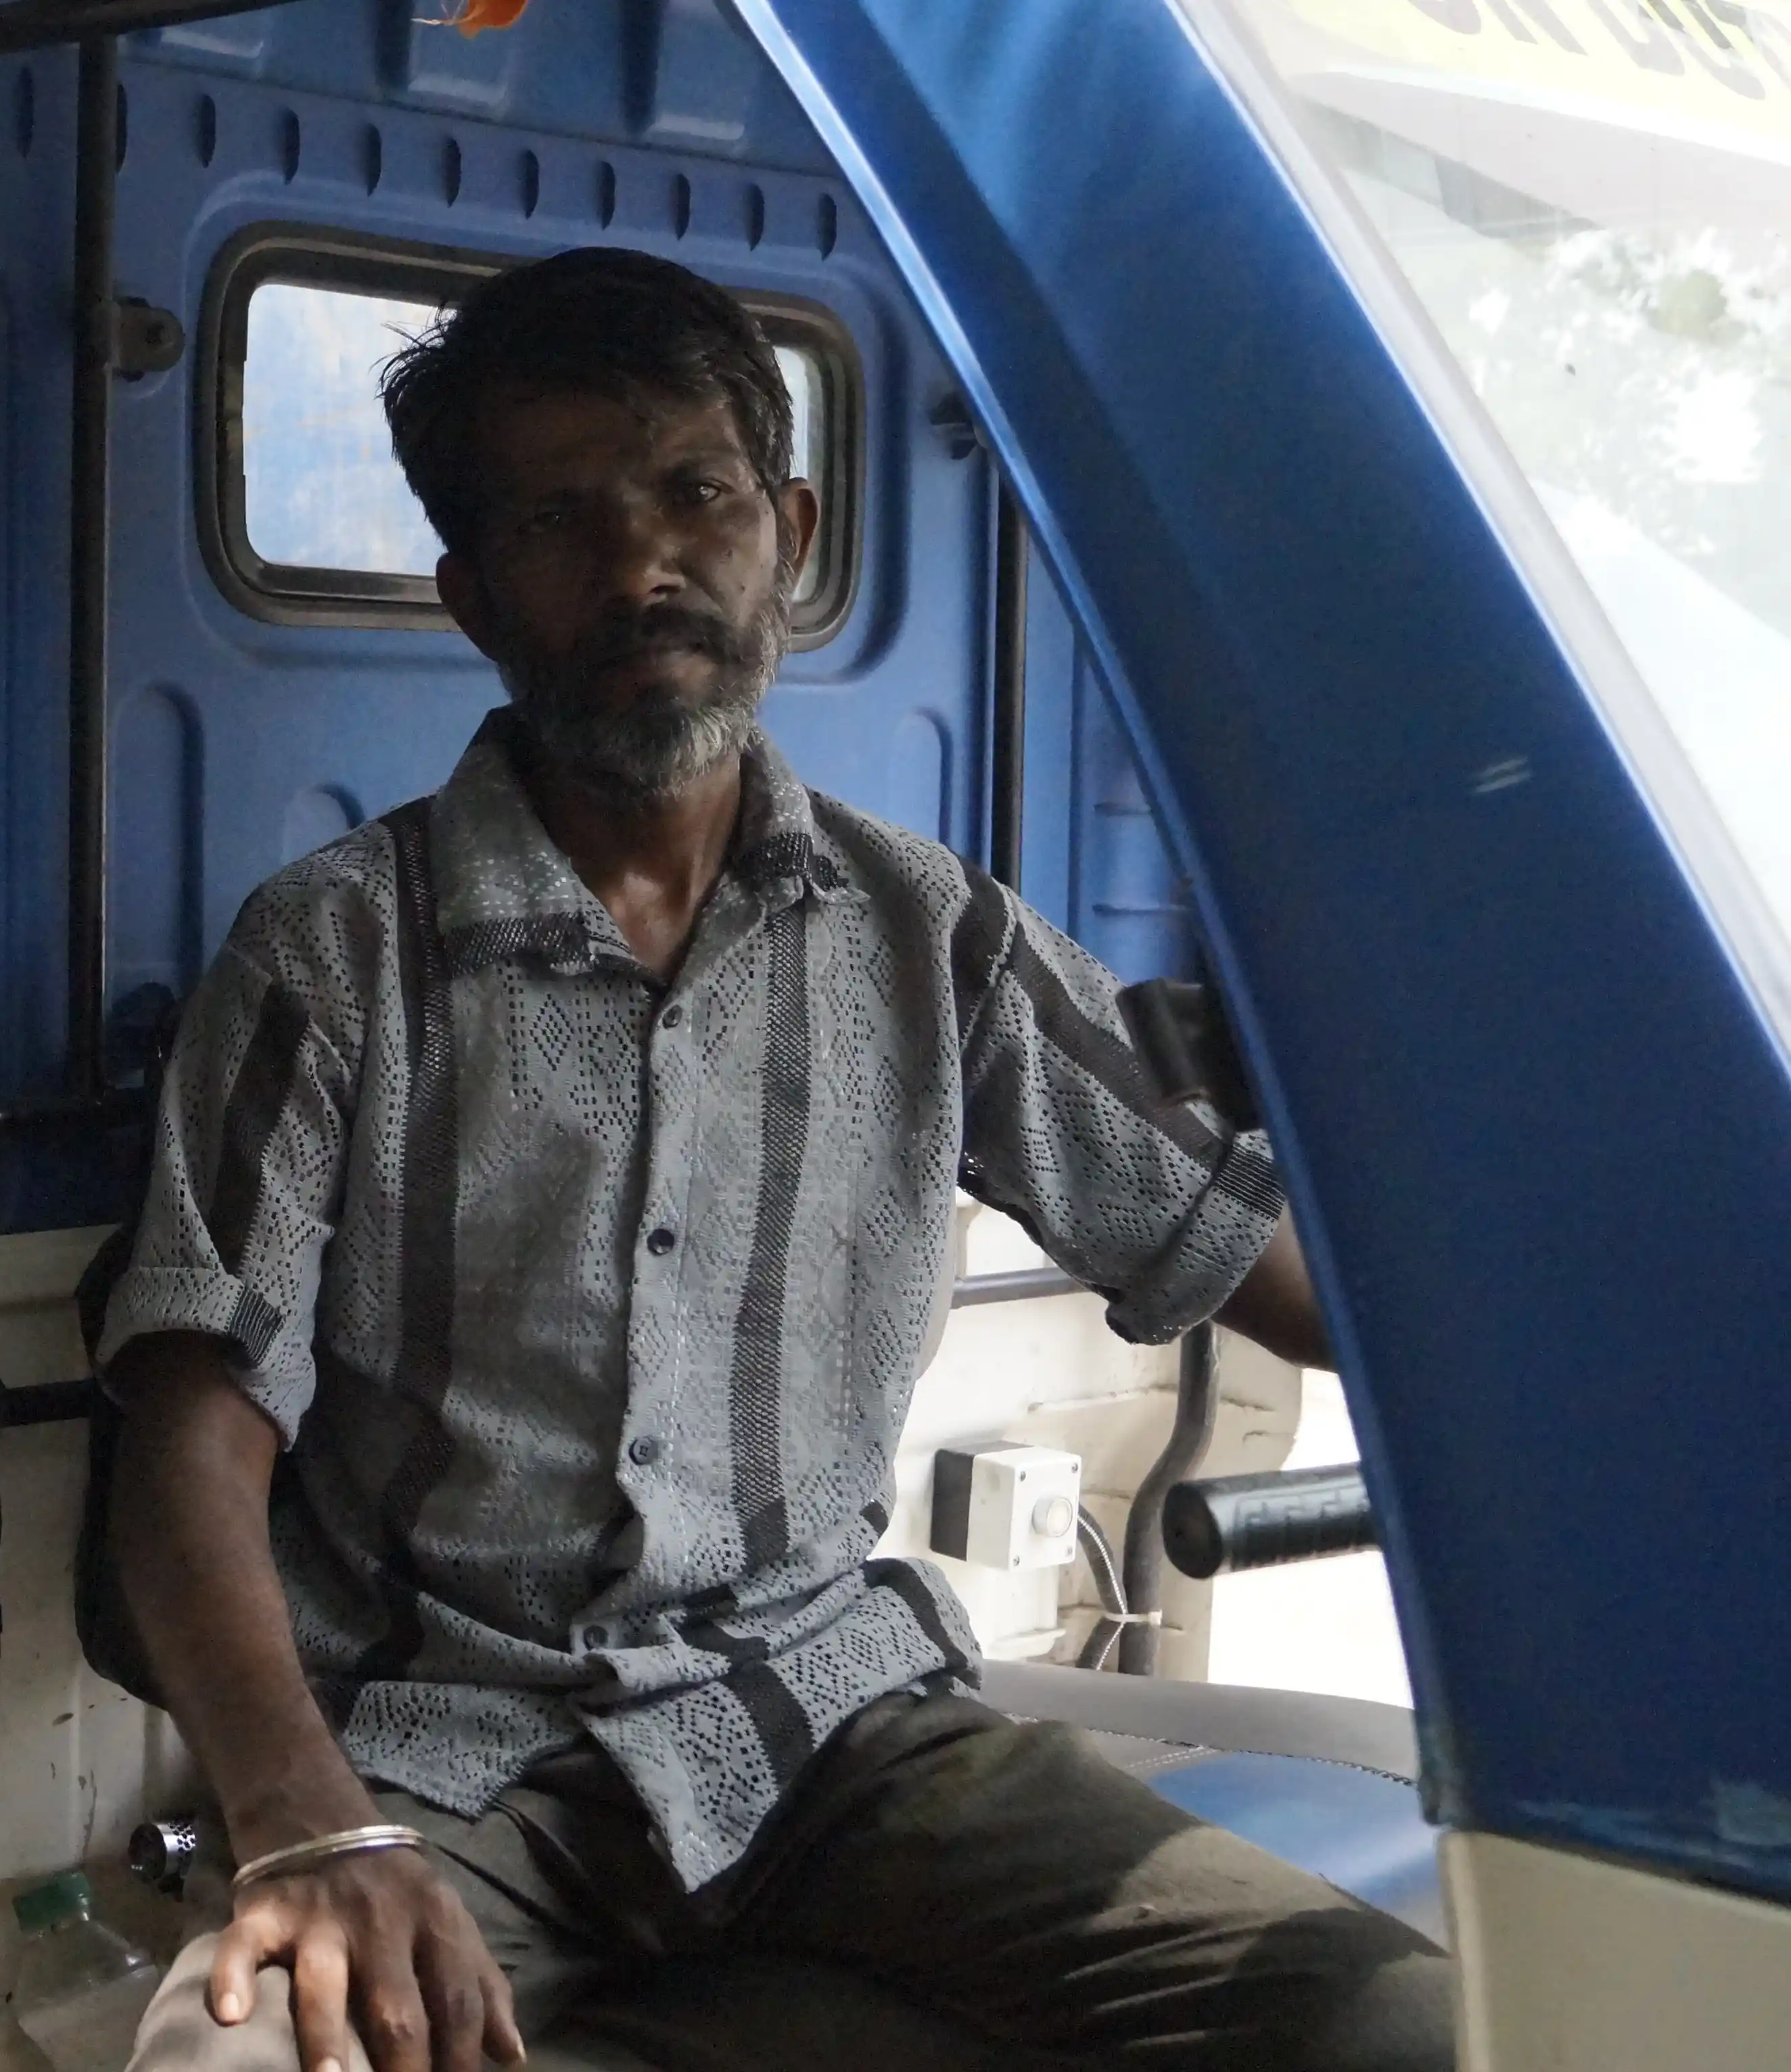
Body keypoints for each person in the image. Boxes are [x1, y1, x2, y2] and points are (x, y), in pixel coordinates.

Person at [93, 248, 1452, 2072]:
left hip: (836, 1732)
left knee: (1406, 2029)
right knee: (225, 2069)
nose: (645, 564)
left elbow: (1265, 1264)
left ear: (789, 535)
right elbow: (194, 1423)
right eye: (563, 522)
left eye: (697, 494)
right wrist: (307, 1820)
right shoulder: (333, 955)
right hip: (443, 1755)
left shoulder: (928, 936)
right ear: (476, 596)